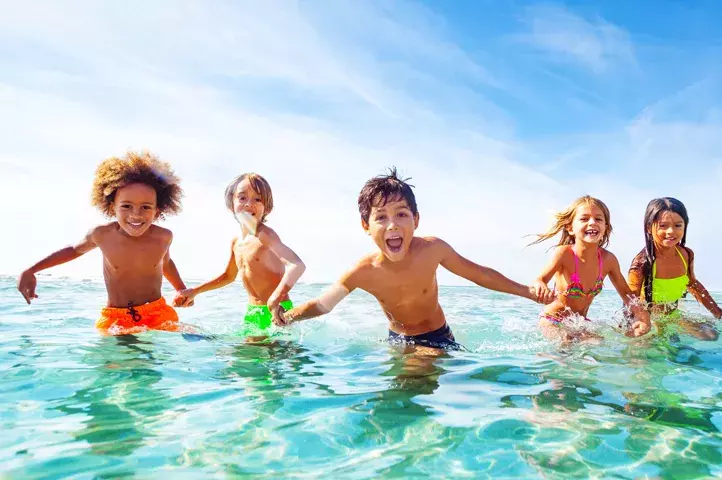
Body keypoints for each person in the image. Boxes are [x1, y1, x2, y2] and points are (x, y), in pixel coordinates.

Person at [274, 167, 543, 351]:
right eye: (381, 217)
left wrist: (527, 291)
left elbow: (479, 274)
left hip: (439, 337)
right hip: (399, 341)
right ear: (366, 226)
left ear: (416, 220)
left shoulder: (432, 250)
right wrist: (289, 317)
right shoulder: (363, 271)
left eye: (401, 214)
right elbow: (323, 304)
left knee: (424, 378)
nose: (392, 225)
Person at [17, 151, 189, 335]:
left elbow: (166, 262)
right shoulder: (102, 234)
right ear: (111, 206)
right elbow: (74, 251)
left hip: (157, 311)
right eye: (126, 206)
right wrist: (32, 270)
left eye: (146, 207)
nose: (136, 214)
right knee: (117, 361)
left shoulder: (163, 237)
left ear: (158, 210)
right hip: (117, 317)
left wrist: (181, 289)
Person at [173, 173, 305, 341]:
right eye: (242, 198)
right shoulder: (237, 242)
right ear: (231, 204)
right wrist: (195, 291)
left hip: (277, 310)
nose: (249, 204)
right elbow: (228, 276)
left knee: (263, 358)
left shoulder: (265, 235)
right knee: (245, 359)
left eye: (257, 199)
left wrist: (274, 300)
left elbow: (297, 265)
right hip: (253, 313)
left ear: (267, 207)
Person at [530, 195, 651, 343]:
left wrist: (643, 317)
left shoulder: (608, 260)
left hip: (580, 323)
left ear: (605, 228)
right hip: (552, 320)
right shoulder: (564, 254)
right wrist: (540, 285)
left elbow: (627, 294)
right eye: (584, 219)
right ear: (570, 228)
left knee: (599, 344)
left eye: (598, 219)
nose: (592, 222)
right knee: (566, 344)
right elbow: (540, 279)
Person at [627, 197, 722, 341]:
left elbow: (693, 284)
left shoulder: (686, 254)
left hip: (672, 316)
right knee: (646, 355)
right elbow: (630, 300)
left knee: (711, 335)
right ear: (649, 227)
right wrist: (636, 325)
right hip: (648, 321)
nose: (671, 231)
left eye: (678, 225)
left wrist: (718, 313)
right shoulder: (642, 263)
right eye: (663, 226)